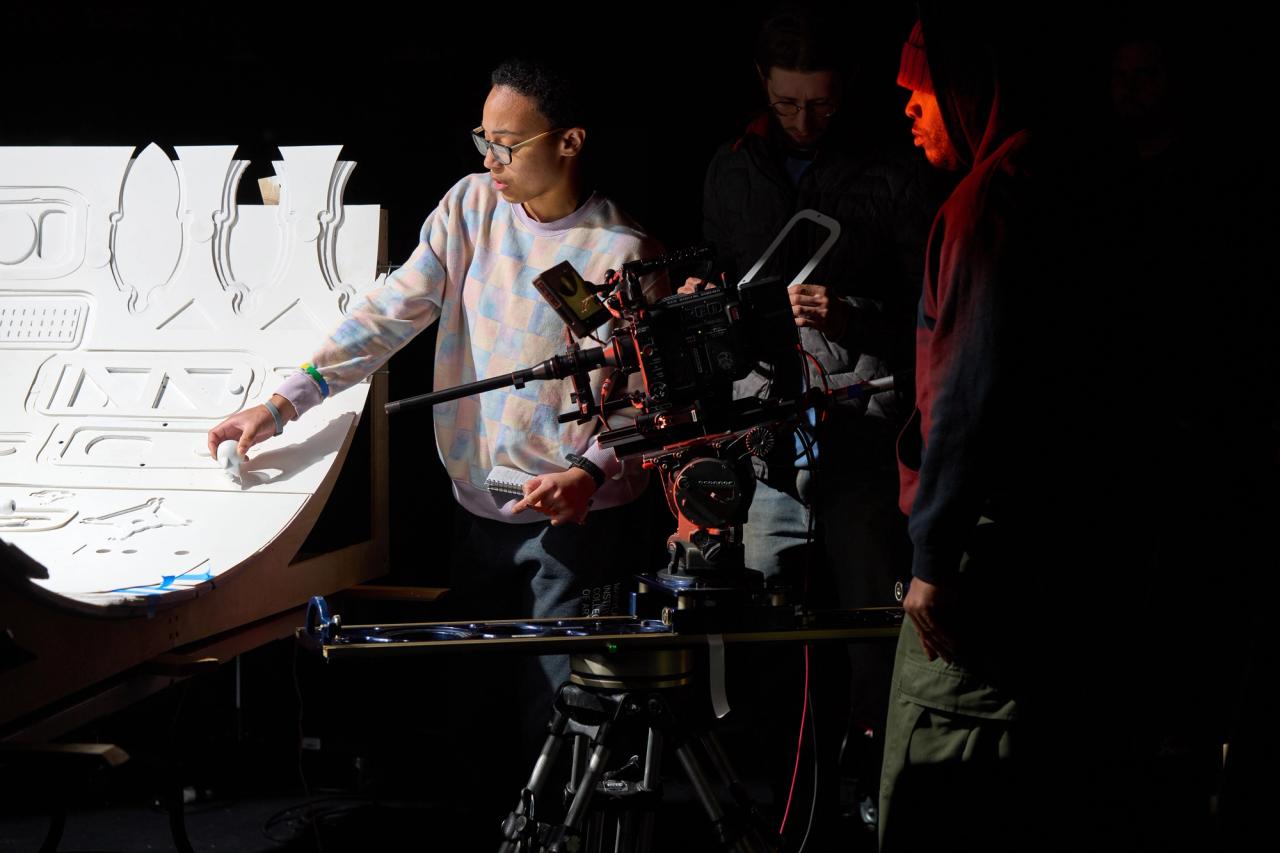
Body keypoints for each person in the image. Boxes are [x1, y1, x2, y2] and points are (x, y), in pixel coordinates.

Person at [206, 57, 663, 771]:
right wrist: (284, 401)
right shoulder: (471, 208)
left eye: (507, 144)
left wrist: (588, 471)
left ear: (569, 142)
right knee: (474, 720)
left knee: (560, 727)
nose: (490, 158)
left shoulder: (620, 251)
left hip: (574, 529)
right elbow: (391, 312)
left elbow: (644, 397)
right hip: (478, 515)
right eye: (482, 138)